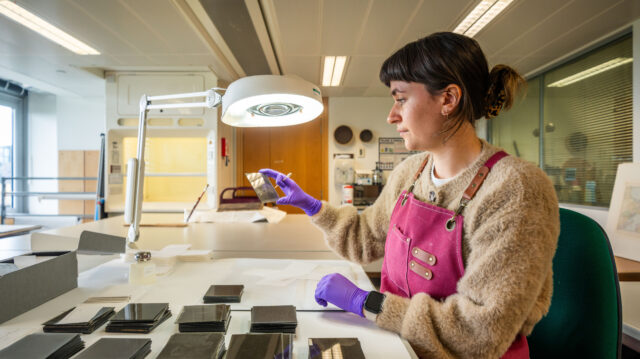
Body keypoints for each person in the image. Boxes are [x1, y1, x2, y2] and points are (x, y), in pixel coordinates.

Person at [260, 32, 559, 359]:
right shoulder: (412, 172)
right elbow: (364, 239)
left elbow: (480, 331)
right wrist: (313, 207)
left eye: (400, 98)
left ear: (448, 99)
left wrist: (367, 302)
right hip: (401, 343)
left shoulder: (515, 188)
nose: (392, 115)